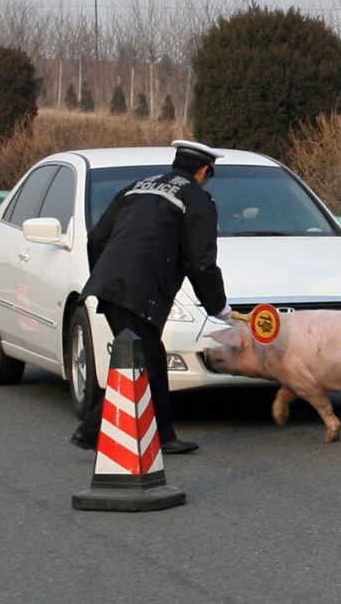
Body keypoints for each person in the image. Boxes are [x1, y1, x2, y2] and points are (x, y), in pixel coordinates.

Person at [70, 139, 231, 454]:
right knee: (145, 363)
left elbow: (97, 236)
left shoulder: (137, 187)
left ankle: (164, 435)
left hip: (112, 286)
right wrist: (219, 307)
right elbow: (200, 261)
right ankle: (90, 431)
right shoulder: (196, 199)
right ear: (204, 170)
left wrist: (106, 276)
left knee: (146, 359)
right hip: (141, 292)